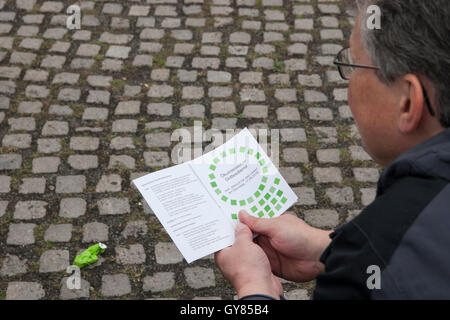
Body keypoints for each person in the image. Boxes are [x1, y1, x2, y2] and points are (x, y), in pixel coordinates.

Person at [215, 0, 450, 300]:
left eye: (354, 64)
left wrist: (254, 289)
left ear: (408, 102)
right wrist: (329, 248)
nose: (349, 82)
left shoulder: (359, 282)